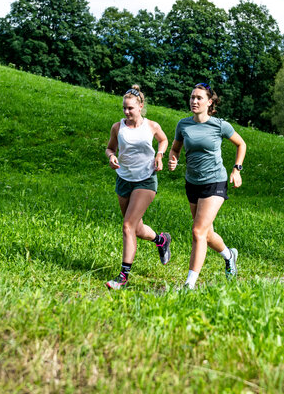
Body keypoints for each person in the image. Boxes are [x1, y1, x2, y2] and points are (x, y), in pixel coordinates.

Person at [168, 83, 246, 290]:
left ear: (209, 102)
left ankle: (189, 284)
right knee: (207, 234)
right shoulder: (183, 125)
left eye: (199, 98)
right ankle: (229, 256)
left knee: (197, 231)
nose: (194, 101)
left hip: (215, 181)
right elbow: (175, 149)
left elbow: (241, 144)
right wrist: (173, 159)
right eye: (192, 97)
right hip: (192, 183)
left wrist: (236, 169)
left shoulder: (220, 125)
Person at [105, 85, 171, 290]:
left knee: (127, 226)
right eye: (124, 108)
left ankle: (122, 277)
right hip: (124, 179)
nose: (126, 112)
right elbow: (110, 148)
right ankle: (161, 240)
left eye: (130, 108)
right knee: (136, 227)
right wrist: (111, 157)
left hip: (146, 179)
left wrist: (160, 155)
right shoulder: (118, 127)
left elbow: (163, 140)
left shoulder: (151, 126)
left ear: (140, 106)